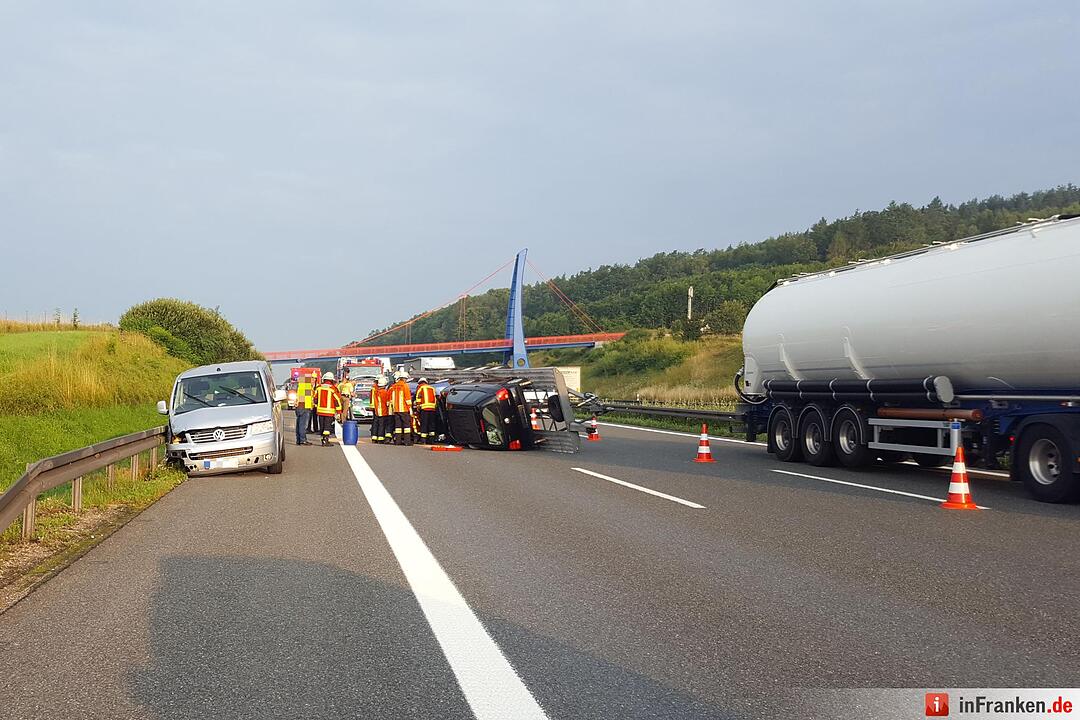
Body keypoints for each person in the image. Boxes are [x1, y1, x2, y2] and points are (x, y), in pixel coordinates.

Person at [313, 372, 343, 446]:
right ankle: (325, 440)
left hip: (320, 411)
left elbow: (315, 398)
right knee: (327, 426)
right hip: (329, 411)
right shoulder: (333, 389)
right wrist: (339, 411)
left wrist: (316, 405)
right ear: (332, 380)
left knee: (322, 425)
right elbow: (337, 400)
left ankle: (323, 438)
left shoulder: (319, 387)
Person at [388, 371, 413, 446]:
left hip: (396, 409)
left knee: (398, 426)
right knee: (406, 426)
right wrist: (410, 408)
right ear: (404, 378)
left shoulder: (394, 386)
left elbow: (391, 398)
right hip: (404, 409)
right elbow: (407, 398)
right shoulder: (405, 386)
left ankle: (398, 441)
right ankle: (407, 441)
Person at [414, 377, 438, 444]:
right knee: (431, 424)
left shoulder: (420, 388)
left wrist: (418, 406)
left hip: (424, 408)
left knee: (424, 424)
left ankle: (423, 440)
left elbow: (418, 398)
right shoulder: (432, 388)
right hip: (432, 408)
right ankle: (432, 440)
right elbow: (435, 398)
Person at [294, 373, 315, 445]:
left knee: (299, 424)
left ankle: (299, 440)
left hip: (299, 407)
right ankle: (303, 440)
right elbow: (307, 398)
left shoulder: (301, 386)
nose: (314, 381)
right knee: (303, 425)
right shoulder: (307, 387)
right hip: (304, 407)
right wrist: (310, 406)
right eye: (312, 379)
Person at [370, 376, 389, 443]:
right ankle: (380, 438)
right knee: (382, 425)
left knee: (376, 424)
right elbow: (387, 402)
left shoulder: (376, 391)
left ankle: (374, 437)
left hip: (376, 411)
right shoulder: (384, 392)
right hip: (383, 411)